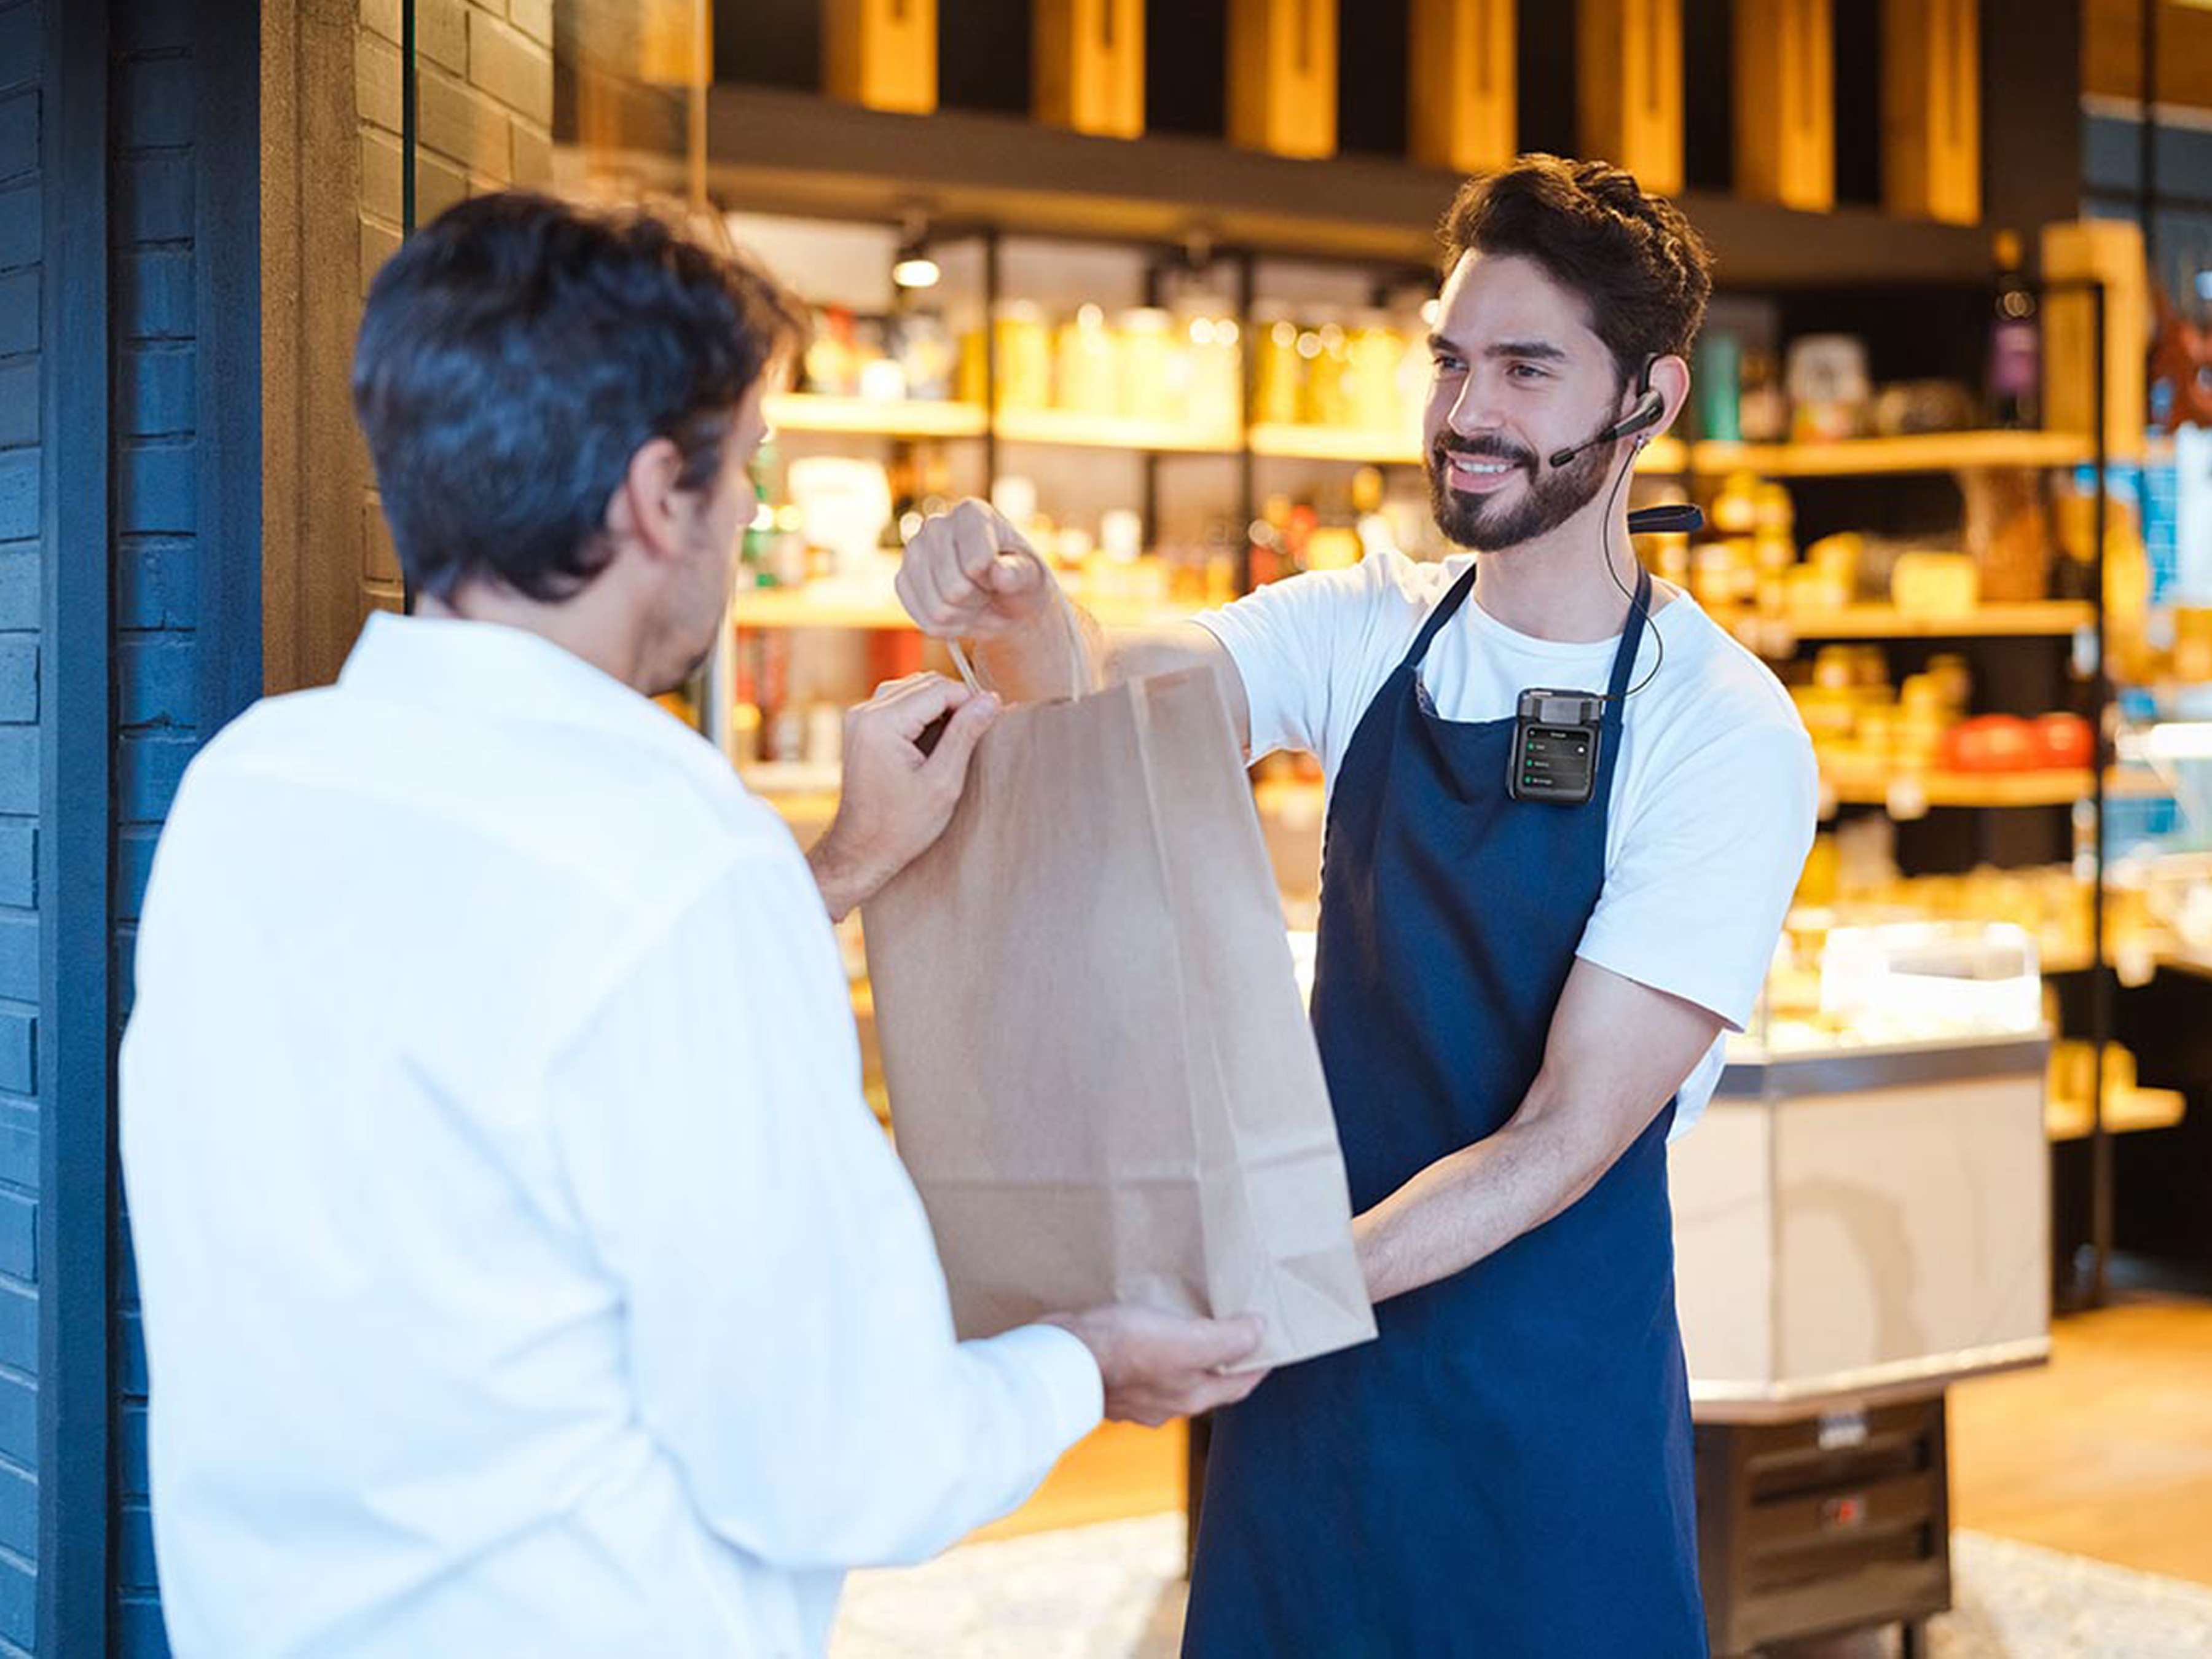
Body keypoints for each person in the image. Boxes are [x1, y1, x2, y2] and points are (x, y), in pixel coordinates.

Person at [119, 192, 1266, 1658]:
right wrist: (1082, 1367)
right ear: (663, 495)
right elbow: (844, 1457)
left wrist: (842, 862)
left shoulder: (248, 789)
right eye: (745, 470)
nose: (743, 517)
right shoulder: (675, 858)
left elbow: (516, 1033)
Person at [897, 156, 1819, 1656]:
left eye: (1526, 369)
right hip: (1315, 1390)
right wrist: (1018, 611)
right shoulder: (1365, 626)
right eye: (1452, 361)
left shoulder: (1719, 725)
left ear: (1648, 400)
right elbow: (1103, 713)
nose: (1467, 413)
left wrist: (1299, 1280)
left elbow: (1565, 1136)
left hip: (1543, 1403)